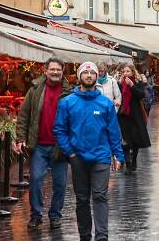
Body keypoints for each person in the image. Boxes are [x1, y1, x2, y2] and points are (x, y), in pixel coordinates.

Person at [54, 62, 124, 241]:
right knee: (82, 199)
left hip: (101, 156)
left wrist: (118, 154)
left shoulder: (105, 103)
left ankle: (102, 236)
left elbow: (113, 131)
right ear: (79, 77)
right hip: (78, 157)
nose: (89, 75)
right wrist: (70, 152)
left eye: (92, 72)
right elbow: (60, 130)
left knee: (100, 195)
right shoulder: (67, 102)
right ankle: (85, 235)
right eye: (85, 73)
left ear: (96, 77)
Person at [14, 57, 73, 229]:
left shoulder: (70, 92)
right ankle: (36, 215)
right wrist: (20, 138)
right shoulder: (35, 89)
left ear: (63, 72)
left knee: (60, 184)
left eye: (58, 70)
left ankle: (55, 215)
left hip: (59, 146)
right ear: (45, 70)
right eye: (52, 69)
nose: (55, 72)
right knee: (36, 180)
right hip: (38, 144)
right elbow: (24, 115)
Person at [117, 64, 151, 174]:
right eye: (124, 71)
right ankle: (127, 163)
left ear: (132, 72)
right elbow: (117, 96)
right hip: (123, 115)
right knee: (125, 141)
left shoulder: (137, 83)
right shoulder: (119, 84)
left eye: (128, 71)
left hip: (135, 115)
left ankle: (134, 159)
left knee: (135, 140)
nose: (126, 73)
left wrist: (132, 85)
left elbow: (141, 95)